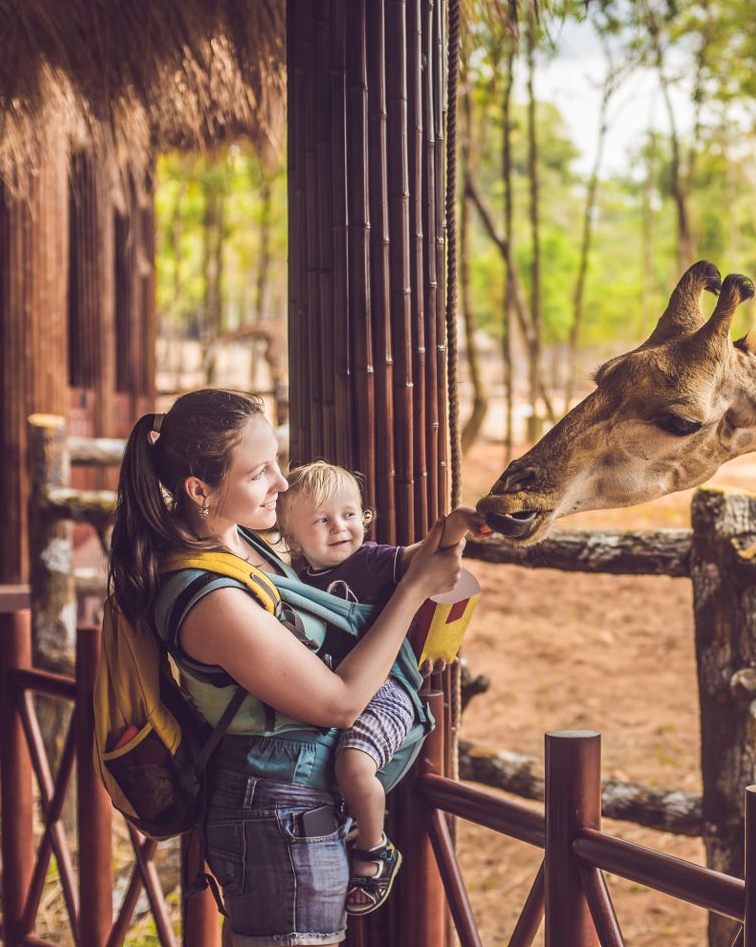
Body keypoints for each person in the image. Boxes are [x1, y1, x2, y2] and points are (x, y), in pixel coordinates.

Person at [107, 389, 463, 947]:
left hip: (299, 801)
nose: (280, 482)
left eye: (278, 460)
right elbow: (339, 702)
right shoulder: (208, 596)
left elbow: (345, 571)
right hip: (276, 815)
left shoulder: (243, 542)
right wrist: (415, 590)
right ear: (200, 489)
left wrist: (442, 543)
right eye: (259, 473)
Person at [277, 461, 488, 915]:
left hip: (386, 689)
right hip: (332, 691)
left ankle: (375, 848)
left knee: (353, 766)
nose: (341, 528)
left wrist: (454, 525)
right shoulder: (291, 580)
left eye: (350, 514)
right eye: (322, 520)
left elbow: (426, 553)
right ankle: (349, 822)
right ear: (292, 538)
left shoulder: (372, 562)